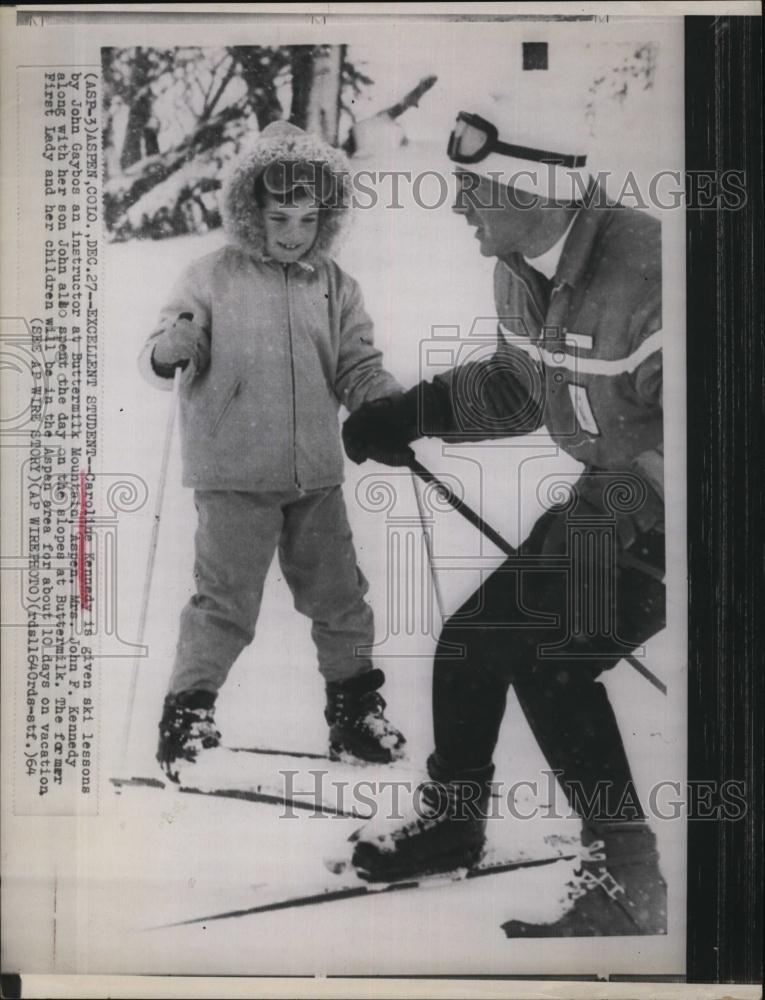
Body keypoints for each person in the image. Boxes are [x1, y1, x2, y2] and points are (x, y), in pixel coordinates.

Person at [341, 106, 667, 937]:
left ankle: (629, 885)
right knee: (473, 638)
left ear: (537, 189)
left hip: (682, 516)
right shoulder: (520, 265)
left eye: (472, 188)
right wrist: (409, 413)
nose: (458, 206)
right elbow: (521, 389)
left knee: (550, 655)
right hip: (610, 502)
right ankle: (453, 823)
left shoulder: (653, 270)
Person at [138, 121, 406, 781]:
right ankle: (188, 714)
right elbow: (174, 337)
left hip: (314, 473)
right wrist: (172, 347)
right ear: (249, 210)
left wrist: (387, 404)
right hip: (233, 472)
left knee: (341, 597)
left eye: (309, 218)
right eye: (280, 216)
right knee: (226, 601)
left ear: (328, 217)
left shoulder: (335, 284)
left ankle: (353, 713)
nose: (294, 231)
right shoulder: (210, 276)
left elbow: (356, 362)